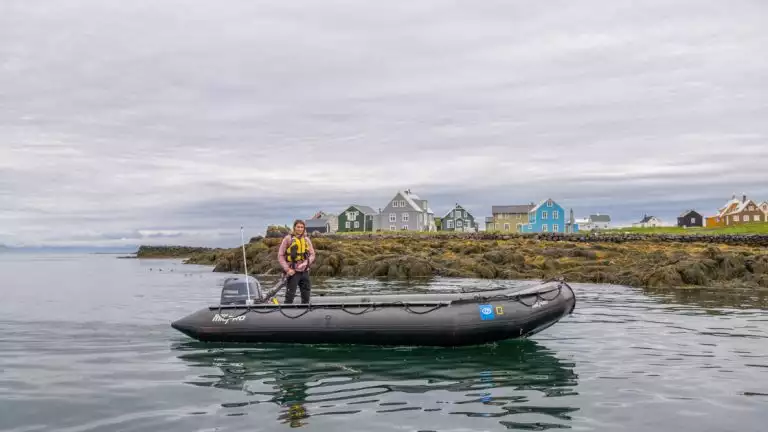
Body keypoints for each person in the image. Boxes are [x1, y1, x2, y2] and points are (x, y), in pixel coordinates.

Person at [277, 219, 316, 304]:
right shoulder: (288, 239)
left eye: (302, 227)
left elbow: (312, 255)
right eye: (298, 227)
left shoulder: (306, 239)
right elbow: (280, 255)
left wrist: (306, 263)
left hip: (305, 272)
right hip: (292, 272)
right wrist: (287, 269)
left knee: (306, 298)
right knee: (289, 297)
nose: (300, 229)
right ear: (294, 227)